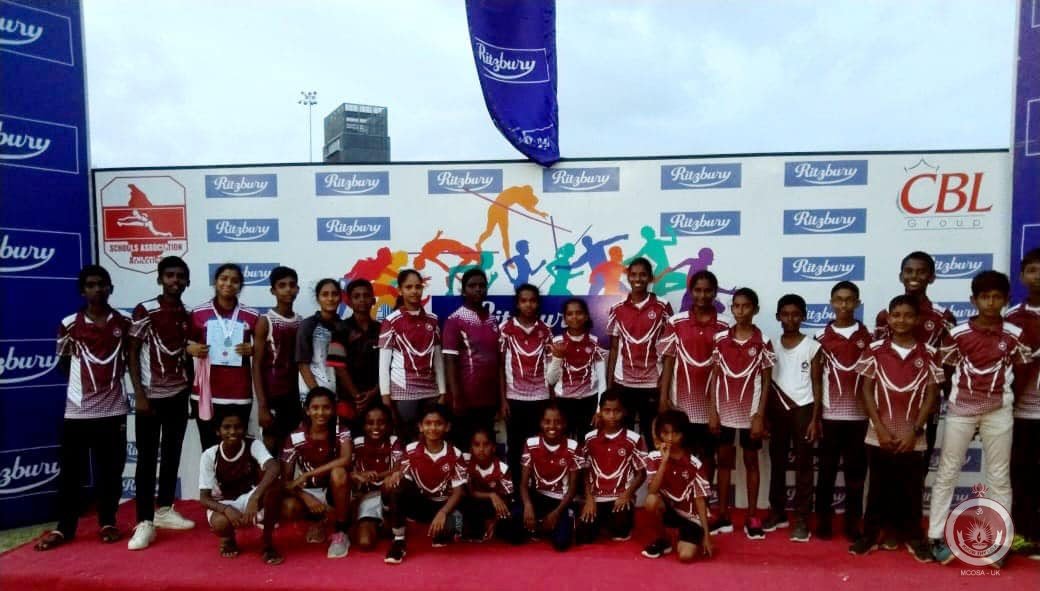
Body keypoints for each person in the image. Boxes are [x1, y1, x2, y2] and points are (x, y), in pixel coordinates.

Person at [930, 271, 1030, 568]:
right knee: (947, 471)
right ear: (973, 300)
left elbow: (1023, 372)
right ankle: (936, 537)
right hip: (961, 410)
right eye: (985, 297)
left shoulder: (1015, 334)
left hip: (999, 411)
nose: (991, 302)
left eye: (997, 297)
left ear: (1006, 299)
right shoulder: (958, 333)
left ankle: (999, 542)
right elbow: (946, 371)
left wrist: (1005, 400)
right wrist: (959, 400)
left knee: (999, 475)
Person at [35, 266, 131, 551]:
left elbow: (130, 360)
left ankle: (108, 522)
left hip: (113, 410)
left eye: (102, 284)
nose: (97, 289)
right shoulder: (68, 324)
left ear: (111, 288)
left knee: (110, 471)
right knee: (71, 473)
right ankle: (65, 528)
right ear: (82, 290)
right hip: (77, 412)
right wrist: (86, 390)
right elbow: (64, 364)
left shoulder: (123, 323)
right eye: (90, 285)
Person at [850, 295, 940, 563]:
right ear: (888, 318)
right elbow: (866, 390)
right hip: (880, 432)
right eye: (896, 315)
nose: (902, 320)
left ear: (917, 319)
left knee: (911, 489)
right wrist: (879, 427)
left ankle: (914, 537)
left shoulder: (929, 352)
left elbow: (931, 395)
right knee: (878, 487)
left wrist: (915, 430)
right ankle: (870, 535)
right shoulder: (875, 349)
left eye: (908, 315)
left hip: (912, 434)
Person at [127, 256, 195, 551]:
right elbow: (131, 352)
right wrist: (139, 394)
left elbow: (186, 355)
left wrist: (190, 391)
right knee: (146, 459)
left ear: (187, 281)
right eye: (170, 275)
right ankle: (144, 521)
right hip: (151, 398)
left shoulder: (187, 314)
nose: (175, 281)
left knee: (171, 454)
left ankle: (164, 508)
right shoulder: (146, 310)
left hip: (178, 395)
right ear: (160, 279)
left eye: (180, 276)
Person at [873, 251, 956, 473]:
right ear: (901, 276)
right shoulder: (885, 315)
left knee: (918, 467)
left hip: (926, 405)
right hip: (888, 405)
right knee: (884, 467)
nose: (914, 277)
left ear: (932, 277)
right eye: (909, 271)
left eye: (921, 272)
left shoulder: (943, 318)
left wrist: (948, 400)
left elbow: (948, 366)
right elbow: (876, 360)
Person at [707, 287, 774, 539]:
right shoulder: (720, 339)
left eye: (746, 306)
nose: (741, 311)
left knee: (751, 462)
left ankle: (752, 516)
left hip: (750, 414)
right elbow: (714, 377)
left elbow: (766, 382)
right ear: (732, 308)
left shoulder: (763, 341)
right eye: (736, 306)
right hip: (724, 412)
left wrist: (759, 416)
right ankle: (723, 515)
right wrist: (713, 411)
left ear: (755, 310)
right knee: (723, 461)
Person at [657, 270, 731, 488]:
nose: (702, 295)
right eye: (698, 290)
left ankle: (703, 498)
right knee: (681, 456)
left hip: (712, 407)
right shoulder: (676, 322)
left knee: (708, 456)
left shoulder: (726, 325)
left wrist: (717, 408)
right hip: (680, 405)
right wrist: (663, 398)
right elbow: (668, 360)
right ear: (690, 291)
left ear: (715, 293)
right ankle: (682, 500)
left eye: (708, 291)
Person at [814, 281, 871, 542]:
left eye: (849, 300)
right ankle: (823, 522)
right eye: (839, 299)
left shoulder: (869, 338)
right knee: (825, 473)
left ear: (857, 303)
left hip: (860, 418)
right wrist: (816, 416)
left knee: (855, 475)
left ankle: (852, 523)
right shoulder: (820, 338)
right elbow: (816, 381)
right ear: (831, 303)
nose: (844, 305)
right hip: (830, 417)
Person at [766, 294, 822, 543]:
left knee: (804, 466)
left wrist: (815, 418)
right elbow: (765, 381)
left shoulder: (812, 346)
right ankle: (777, 512)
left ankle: (801, 518)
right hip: (777, 408)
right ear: (778, 316)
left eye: (796, 314)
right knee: (777, 462)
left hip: (804, 409)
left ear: (804, 317)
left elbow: (817, 383)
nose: (790, 319)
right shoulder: (770, 344)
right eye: (785, 314)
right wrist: (764, 415)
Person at [186, 263, 260, 451]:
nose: (228, 284)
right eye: (223, 279)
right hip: (206, 393)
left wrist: (253, 349)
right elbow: (184, 344)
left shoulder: (252, 315)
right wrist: (191, 348)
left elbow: (262, 350)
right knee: (209, 448)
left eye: (234, 280)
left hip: (239, 393)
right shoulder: (198, 313)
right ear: (215, 282)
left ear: (240, 286)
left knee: (237, 449)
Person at [384, 403, 468, 564]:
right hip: (420, 503)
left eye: (438, 423)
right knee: (395, 486)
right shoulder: (411, 450)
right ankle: (399, 540)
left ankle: (445, 526)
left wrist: (443, 512)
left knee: (449, 531)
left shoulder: (455, 454)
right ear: (420, 427)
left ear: (447, 427)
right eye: (428, 423)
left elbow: (459, 492)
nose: (433, 428)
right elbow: (403, 477)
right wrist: (397, 474)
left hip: (442, 504)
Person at [198, 414, 283, 565]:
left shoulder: (253, 445)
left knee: (274, 487)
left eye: (237, 427)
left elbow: (274, 467)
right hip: (224, 502)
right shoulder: (210, 455)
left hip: (250, 497)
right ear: (218, 431)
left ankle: (267, 542)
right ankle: (228, 538)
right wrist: (226, 509)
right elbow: (204, 498)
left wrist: (255, 497)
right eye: (227, 427)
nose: (232, 431)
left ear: (244, 430)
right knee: (220, 523)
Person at [280, 387, 353, 559]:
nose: (320, 412)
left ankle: (341, 531)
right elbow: (286, 481)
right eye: (315, 408)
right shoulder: (295, 437)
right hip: (310, 491)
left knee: (339, 473)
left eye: (326, 407)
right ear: (307, 410)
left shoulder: (341, 430)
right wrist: (305, 497)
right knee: (288, 507)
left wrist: (307, 474)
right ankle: (317, 520)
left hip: (337, 490)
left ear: (333, 409)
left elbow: (346, 459)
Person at [607, 257, 673, 442]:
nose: (638, 279)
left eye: (643, 275)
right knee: (624, 439)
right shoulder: (617, 308)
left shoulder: (663, 306)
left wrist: (664, 394)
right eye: (634, 274)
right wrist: (610, 386)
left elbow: (669, 352)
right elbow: (614, 348)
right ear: (628, 277)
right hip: (623, 384)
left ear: (650, 278)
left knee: (653, 439)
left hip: (652, 384)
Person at [379, 269, 446, 440]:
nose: (414, 291)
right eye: (408, 287)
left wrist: (443, 391)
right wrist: (385, 396)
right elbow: (383, 364)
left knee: (432, 438)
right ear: (400, 290)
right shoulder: (391, 321)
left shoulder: (432, 319)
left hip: (431, 391)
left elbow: (438, 359)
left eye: (418, 286)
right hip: (404, 391)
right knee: (408, 438)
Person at [641, 409, 714, 562]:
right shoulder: (654, 457)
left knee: (685, 557)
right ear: (659, 434)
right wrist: (664, 461)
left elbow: (700, 501)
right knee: (651, 500)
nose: (670, 438)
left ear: (683, 434)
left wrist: (707, 536)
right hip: (669, 510)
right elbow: (652, 490)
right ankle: (663, 540)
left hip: (690, 517)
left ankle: (687, 536)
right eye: (665, 433)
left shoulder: (694, 464)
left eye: (675, 433)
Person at [577, 389, 648, 544]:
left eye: (617, 411)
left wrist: (627, 495)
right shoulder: (589, 439)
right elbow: (585, 472)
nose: (612, 416)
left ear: (624, 412)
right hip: (596, 497)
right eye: (607, 411)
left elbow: (641, 474)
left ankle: (614, 522)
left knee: (620, 532)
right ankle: (599, 521)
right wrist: (589, 499)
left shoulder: (634, 439)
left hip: (619, 498)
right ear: (600, 412)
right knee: (584, 536)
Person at [1006, 248, 1040, 558]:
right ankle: (1024, 532)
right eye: (1032, 270)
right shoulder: (1012, 319)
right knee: (1022, 474)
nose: (1038, 276)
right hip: (1023, 412)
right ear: (1022, 276)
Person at [500, 284, 553, 478]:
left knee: (538, 446)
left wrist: (551, 399)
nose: (528, 304)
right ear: (517, 303)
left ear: (537, 303)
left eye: (532, 300)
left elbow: (551, 368)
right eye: (523, 301)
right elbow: (499, 366)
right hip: (514, 399)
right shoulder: (506, 329)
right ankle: (515, 488)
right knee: (515, 446)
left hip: (540, 398)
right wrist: (503, 400)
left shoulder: (545, 331)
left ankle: (536, 486)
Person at [443, 269, 501, 446]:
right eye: (472, 286)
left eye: (482, 285)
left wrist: (500, 398)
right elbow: (450, 361)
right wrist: (456, 397)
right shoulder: (455, 320)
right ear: (463, 290)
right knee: (465, 447)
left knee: (485, 447)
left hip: (489, 398)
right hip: (465, 399)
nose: (478, 289)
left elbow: (498, 360)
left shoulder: (492, 320)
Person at [253, 266, 302, 454]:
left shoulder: (301, 321)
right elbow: (256, 365)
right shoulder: (266, 321)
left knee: (292, 449)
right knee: (271, 449)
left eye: (292, 285)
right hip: (272, 395)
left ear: (297, 289)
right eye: (282, 285)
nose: (288, 289)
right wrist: (262, 405)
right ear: (273, 291)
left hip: (295, 396)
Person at [519, 403, 581, 551]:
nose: (552, 426)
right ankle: (541, 525)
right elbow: (523, 484)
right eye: (547, 421)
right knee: (513, 532)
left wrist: (556, 513)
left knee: (561, 543)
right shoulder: (531, 443)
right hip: (537, 497)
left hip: (560, 501)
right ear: (541, 423)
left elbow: (572, 490)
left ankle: (548, 525)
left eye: (557, 422)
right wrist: (528, 505)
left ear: (564, 424)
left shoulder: (573, 447)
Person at [546, 298, 607, 439]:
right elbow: (550, 380)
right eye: (570, 314)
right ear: (564, 318)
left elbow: (602, 380)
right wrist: (558, 358)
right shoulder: (557, 342)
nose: (574, 317)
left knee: (586, 442)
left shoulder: (594, 342)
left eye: (579, 313)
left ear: (586, 316)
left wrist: (599, 409)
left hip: (589, 402)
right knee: (564, 444)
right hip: (563, 402)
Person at [351, 404, 405, 552]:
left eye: (381, 422)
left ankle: (387, 519)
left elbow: (399, 467)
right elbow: (350, 470)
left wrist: (378, 476)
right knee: (365, 543)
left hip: (388, 496)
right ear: (363, 425)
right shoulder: (357, 442)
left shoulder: (394, 441)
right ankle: (375, 524)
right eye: (370, 423)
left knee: (391, 483)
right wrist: (359, 475)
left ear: (389, 424)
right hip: (368, 496)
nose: (376, 427)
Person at [330, 279, 381, 430]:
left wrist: (374, 392)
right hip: (349, 397)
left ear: (373, 300)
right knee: (350, 437)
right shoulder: (340, 329)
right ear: (349, 302)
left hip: (376, 396)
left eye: (366, 295)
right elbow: (338, 366)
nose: (362, 300)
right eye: (356, 296)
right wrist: (357, 397)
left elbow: (389, 365)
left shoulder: (382, 329)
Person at [461, 427, 522, 543]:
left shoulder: (502, 468)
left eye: (486, 445)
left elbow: (506, 499)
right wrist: (491, 495)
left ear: (493, 448)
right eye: (476, 445)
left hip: (496, 507)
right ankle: (476, 528)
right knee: (467, 506)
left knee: (515, 530)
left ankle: (493, 527)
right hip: (475, 503)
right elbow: (469, 492)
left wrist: (496, 521)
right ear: (471, 448)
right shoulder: (466, 461)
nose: (481, 449)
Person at [296, 279, 343, 409]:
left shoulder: (343, 326)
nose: (330, 298)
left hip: (337, 397)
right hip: (312, 396)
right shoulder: (308, 325)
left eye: (334, 294)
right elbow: (303, 364)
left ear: (340, 298)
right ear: (318, 298)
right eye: (325, 294)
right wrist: (317, 395)